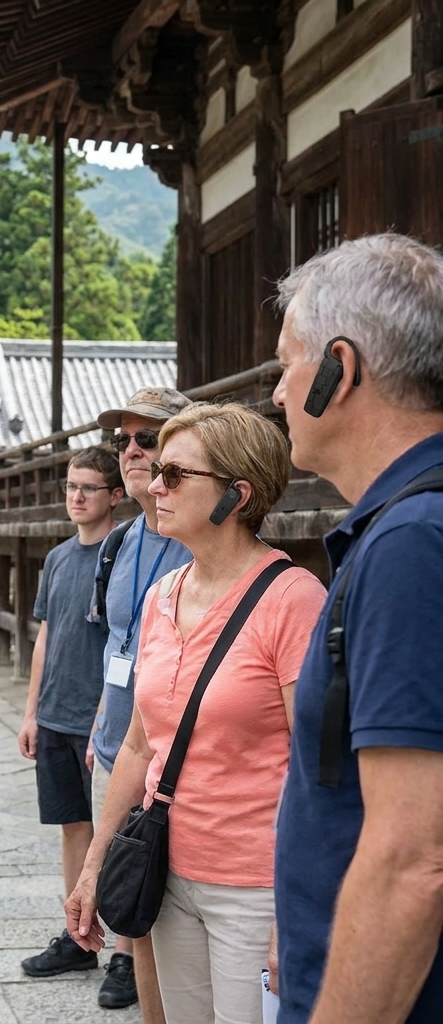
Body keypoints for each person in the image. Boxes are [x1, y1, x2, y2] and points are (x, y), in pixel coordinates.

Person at [66, 402, 326, 1024]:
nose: (154, 486)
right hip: (166, 868)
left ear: (237, 495)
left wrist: (299, 907)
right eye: (158, 470)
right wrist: (94, 864)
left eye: (177, 475)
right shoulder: (162, 596)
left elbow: (317, 767)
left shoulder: (293, 601)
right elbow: (137, 747)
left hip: (255, 885)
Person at [271, 234, 443, 1024]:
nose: (276, 393)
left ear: (341, 369)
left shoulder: (413, 543)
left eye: (287, 364)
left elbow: (417, 857)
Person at [87, 387, 193, 1016]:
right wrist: (104, 713)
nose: (129, 452)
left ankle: (134, 966)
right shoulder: (123, 541)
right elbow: (118, 640)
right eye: (120, 440)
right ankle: (129, 959)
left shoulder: (195, 536)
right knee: (125, 871)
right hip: (118, 737)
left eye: (144, 439)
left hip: (166, 753)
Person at [17, 446, 124, 978]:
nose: (76, 497)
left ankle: (125, 952)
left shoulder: (122, 553)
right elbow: (46, 635)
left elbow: (125, 643)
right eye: (70, 487)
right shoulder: (58, 558)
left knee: (119, 835)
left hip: (100, 720)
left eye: (88, 488)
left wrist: (105, 719)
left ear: (115, 496)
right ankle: (79, 937)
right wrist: (31, 711)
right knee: (72, 826)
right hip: (56, 714)